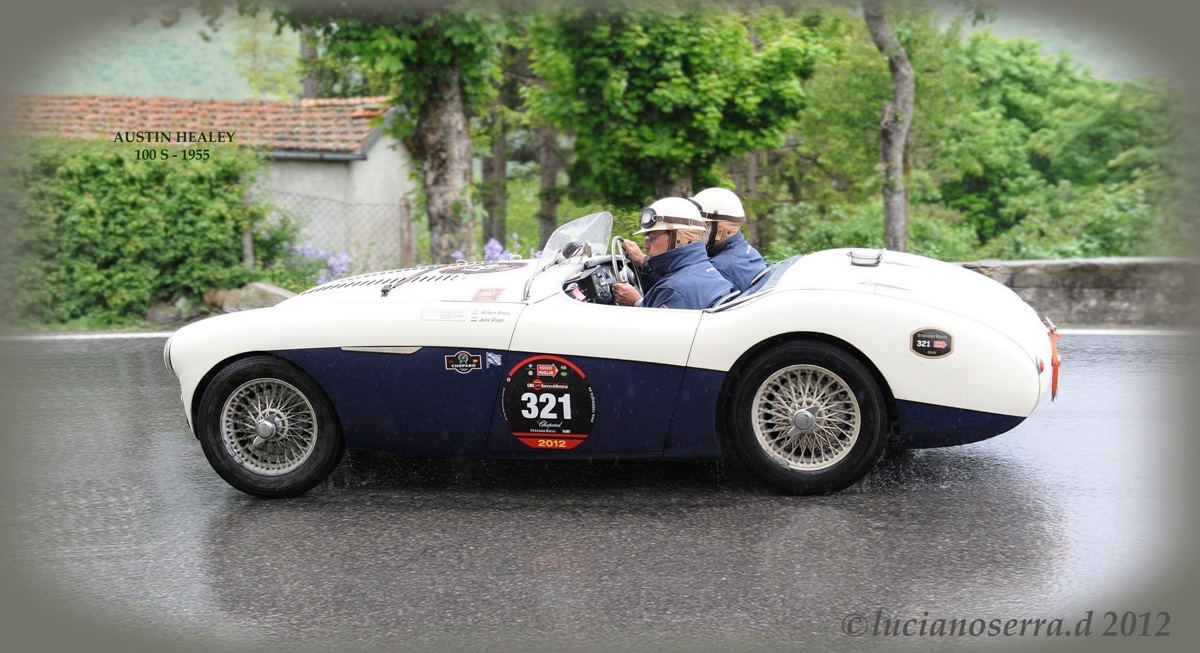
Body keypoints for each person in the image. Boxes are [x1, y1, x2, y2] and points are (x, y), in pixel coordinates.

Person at [612, 197, 733, 309]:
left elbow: (649, 330)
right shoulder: (701, 269)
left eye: (652, 237)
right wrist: (644, 263)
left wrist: (636, 302)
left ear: (679, 237)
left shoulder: (673, 290)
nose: (645, 245)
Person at [691, 187, 766, 293]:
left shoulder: (719, 269)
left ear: (721, 229)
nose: (695, 230)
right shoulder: (745, 251)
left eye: (702, 224)